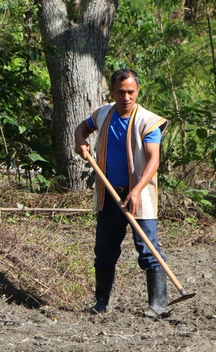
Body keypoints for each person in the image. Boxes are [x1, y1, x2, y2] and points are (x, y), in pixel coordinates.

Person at [74, 68, 169, 316]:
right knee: (104, 251)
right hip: (109, 195)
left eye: (130, 92)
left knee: (148, 248)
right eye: (120, 92)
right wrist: (80, 141)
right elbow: (81, 129)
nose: (126, 97)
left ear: (138, 91)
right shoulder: (103, 114)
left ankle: (158, 304)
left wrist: (136, 191)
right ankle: (101, 302)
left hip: (139, 196)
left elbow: (153, 161)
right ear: (112, 92)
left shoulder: (149, 122)